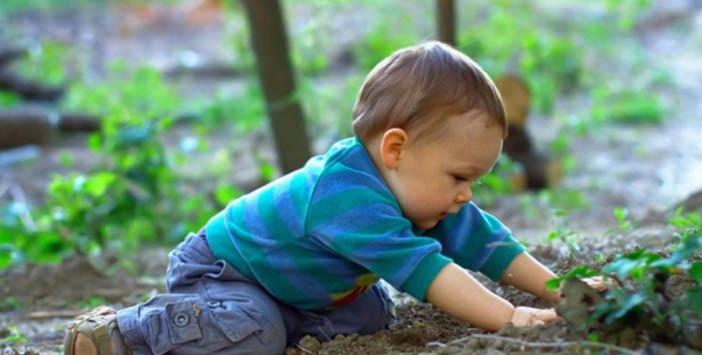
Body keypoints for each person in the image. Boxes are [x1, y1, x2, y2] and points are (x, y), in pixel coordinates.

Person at [64, 41, 567, 355]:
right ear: (396, 148)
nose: (465, 196)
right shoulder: (346, 195)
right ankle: (123, 333)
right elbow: (432, 274)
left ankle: (283, 320)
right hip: (224, 273)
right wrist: (510, 317)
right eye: (460, 177)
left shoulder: (421, 189)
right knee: (254, 333)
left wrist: (558, 289)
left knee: (374, 314)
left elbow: (485, 242)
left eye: (474, 182)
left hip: (292, 284)